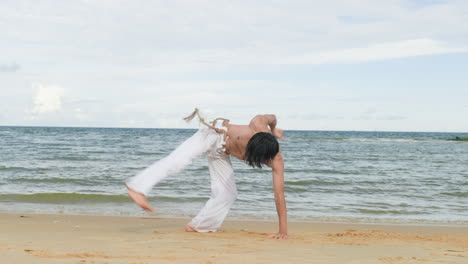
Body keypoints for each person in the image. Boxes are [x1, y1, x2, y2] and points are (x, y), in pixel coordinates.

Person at [126, 109, 287, 239]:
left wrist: (283, 231)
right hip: (214, 134)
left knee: (228, 194)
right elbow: (272, 117)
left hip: (221, 152)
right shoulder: (258, 122)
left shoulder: (276, 162)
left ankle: (200, 226)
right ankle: (137, 188)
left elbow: (279, 195)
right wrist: (274, 130)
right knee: (179, 161)